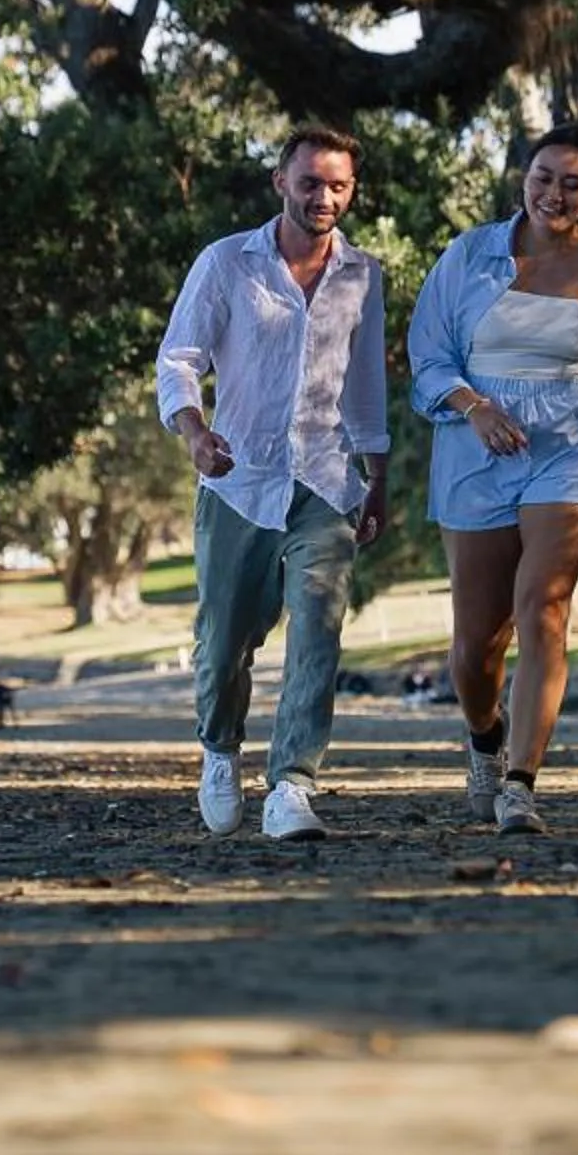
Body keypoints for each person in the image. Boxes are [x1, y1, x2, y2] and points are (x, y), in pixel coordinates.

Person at [409, 123, 578, 835]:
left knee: (545, 606)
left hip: (577, 449)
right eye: (543, 177)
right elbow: (430, 357)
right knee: (476, 647)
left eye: (572, 183)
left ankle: (522, 785)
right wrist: (475, 408)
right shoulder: (471, 256)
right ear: (523, 179)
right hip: (477, 453)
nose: (554, 193)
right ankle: (484, 740)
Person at [155, 124, 391, 842]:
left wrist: (376, 479)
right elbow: (179, 360)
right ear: (281, 183)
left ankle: (292, 783)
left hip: (324, 480)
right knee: (223, 644)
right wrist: (195, 433)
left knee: (318, 631)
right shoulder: (228, 262)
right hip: (238, 482)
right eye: (311, 181)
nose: (324, 197)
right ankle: (220, 748)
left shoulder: (363, 275)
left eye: (338, 185)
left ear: (351, 193)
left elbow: (366, 384)